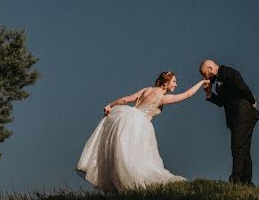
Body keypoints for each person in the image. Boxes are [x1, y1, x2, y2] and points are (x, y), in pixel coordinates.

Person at [76, 71, 208, 192]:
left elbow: (126, 99)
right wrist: (202, 82)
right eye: (174, 81)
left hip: (126, 117)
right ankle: (132, 184)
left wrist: (111, 105)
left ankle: (118, 184)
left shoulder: (147, 89)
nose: (176, 84)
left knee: (123, 153)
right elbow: (187, 95)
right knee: (138, 157)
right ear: (166, 83)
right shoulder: (162, 98)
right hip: (140, 125)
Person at [199, 59, 259, 184]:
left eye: (204, 74)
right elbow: (222, 102)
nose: (204, 77)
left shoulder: (228, 72)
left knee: (237, 147)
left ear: (210, 68)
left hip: (243, 113)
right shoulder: (218, 82)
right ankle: (246, 182)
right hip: (238, 117)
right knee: (244, 149)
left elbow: (242, 86)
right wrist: (209, 93)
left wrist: (252, 100)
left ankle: (236, 180)